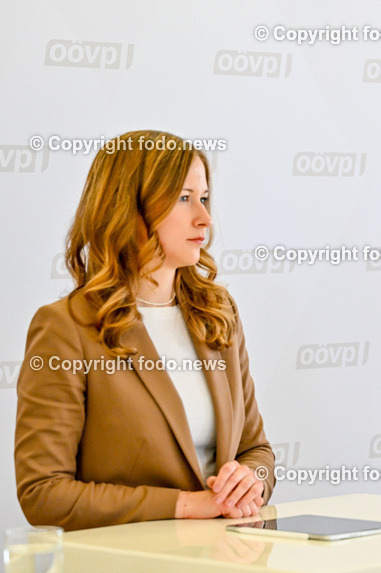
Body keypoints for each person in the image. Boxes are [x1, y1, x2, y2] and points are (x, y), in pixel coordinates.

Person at [15, 130, 275, 531]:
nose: (204, 218)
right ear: (127, 207)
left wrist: (250, 481)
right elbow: (44, 493)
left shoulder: (217, 313)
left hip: (229, 564)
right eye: (183, 198)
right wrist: (186, 506)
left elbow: (255, 449)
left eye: (204, 198)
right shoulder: (65, 328)